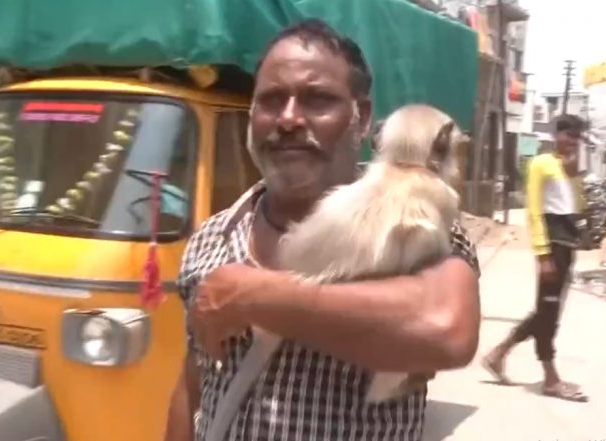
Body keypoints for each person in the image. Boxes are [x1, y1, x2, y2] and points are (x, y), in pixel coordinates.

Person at [164, 19, 481, 441]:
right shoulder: (210, 239)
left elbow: (445, 328)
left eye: (317, 100)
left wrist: (251, 295)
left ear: (361, 117)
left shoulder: (417, 222)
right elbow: (192, 387)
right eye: (271, 101)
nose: (289, 118)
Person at [482, 114, 588, 402]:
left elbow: (576, 206)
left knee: (547, 311)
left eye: (577, 136)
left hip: (567, 246)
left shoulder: (571, 168)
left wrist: (577, 167)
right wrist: (543, 255)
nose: (573, 141)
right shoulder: (541, 164)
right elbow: (534, 212)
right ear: (557, 134)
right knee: (548, 312)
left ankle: (498, 354)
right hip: (552, 245)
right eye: (569, 135)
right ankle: (550, 378)